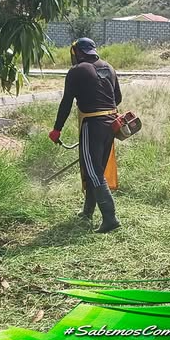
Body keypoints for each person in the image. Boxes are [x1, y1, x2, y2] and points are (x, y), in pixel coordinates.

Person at [48, 37, 122, 234]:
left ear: (78, 52)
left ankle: (110, 218)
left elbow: (66, 102)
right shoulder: (109, 67)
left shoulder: (77, 70)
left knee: (93, 171)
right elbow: (118, 98)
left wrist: (57, 129)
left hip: (92, 125)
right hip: (111, 124)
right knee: (95, 169)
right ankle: (87, 212)